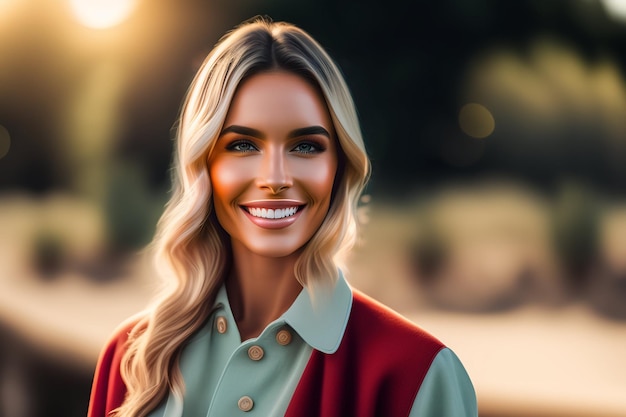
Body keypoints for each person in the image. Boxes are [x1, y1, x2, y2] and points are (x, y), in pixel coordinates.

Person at [88, 17, 477, 417]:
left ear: (340, 167)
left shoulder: (419, 377)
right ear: (204, 164)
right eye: (242, 145)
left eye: (306, 147)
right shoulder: (130, 359)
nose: (274, 179)